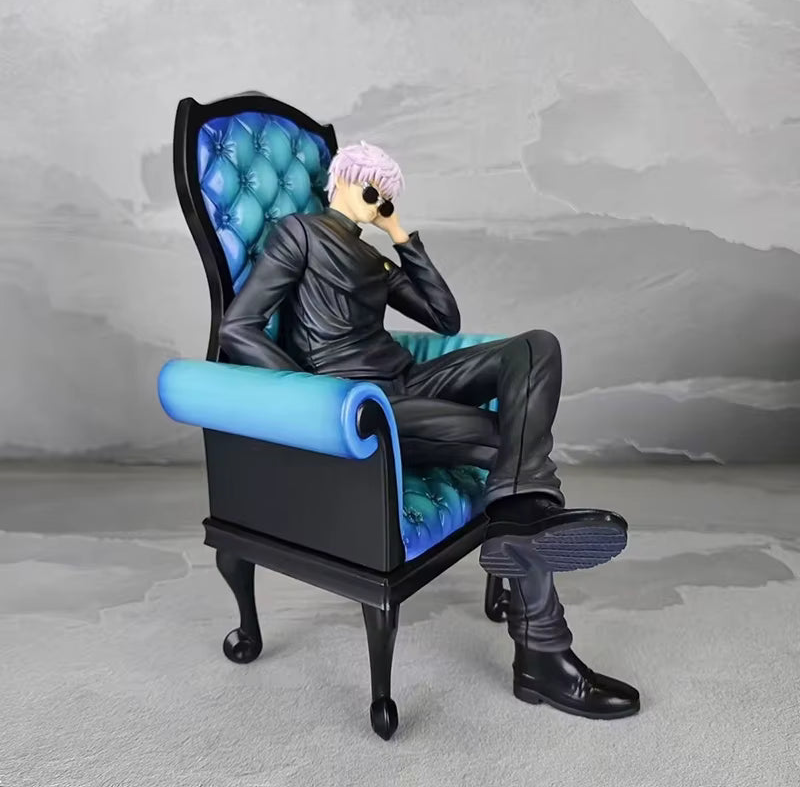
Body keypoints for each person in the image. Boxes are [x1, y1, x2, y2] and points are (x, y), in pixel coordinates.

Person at [218, 141, 640, 719]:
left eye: (386, 195)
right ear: (342, 180)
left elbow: (444, 317)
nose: (378, 201)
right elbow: (238, 327)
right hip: (367, 403)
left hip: (411, 379)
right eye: (371, 189)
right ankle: (544, 653)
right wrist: (315, 399)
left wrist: (399, 234)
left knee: (535, 347)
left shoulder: (373, 258)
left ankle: (519, 520)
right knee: (510, 441)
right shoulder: (300, 235)